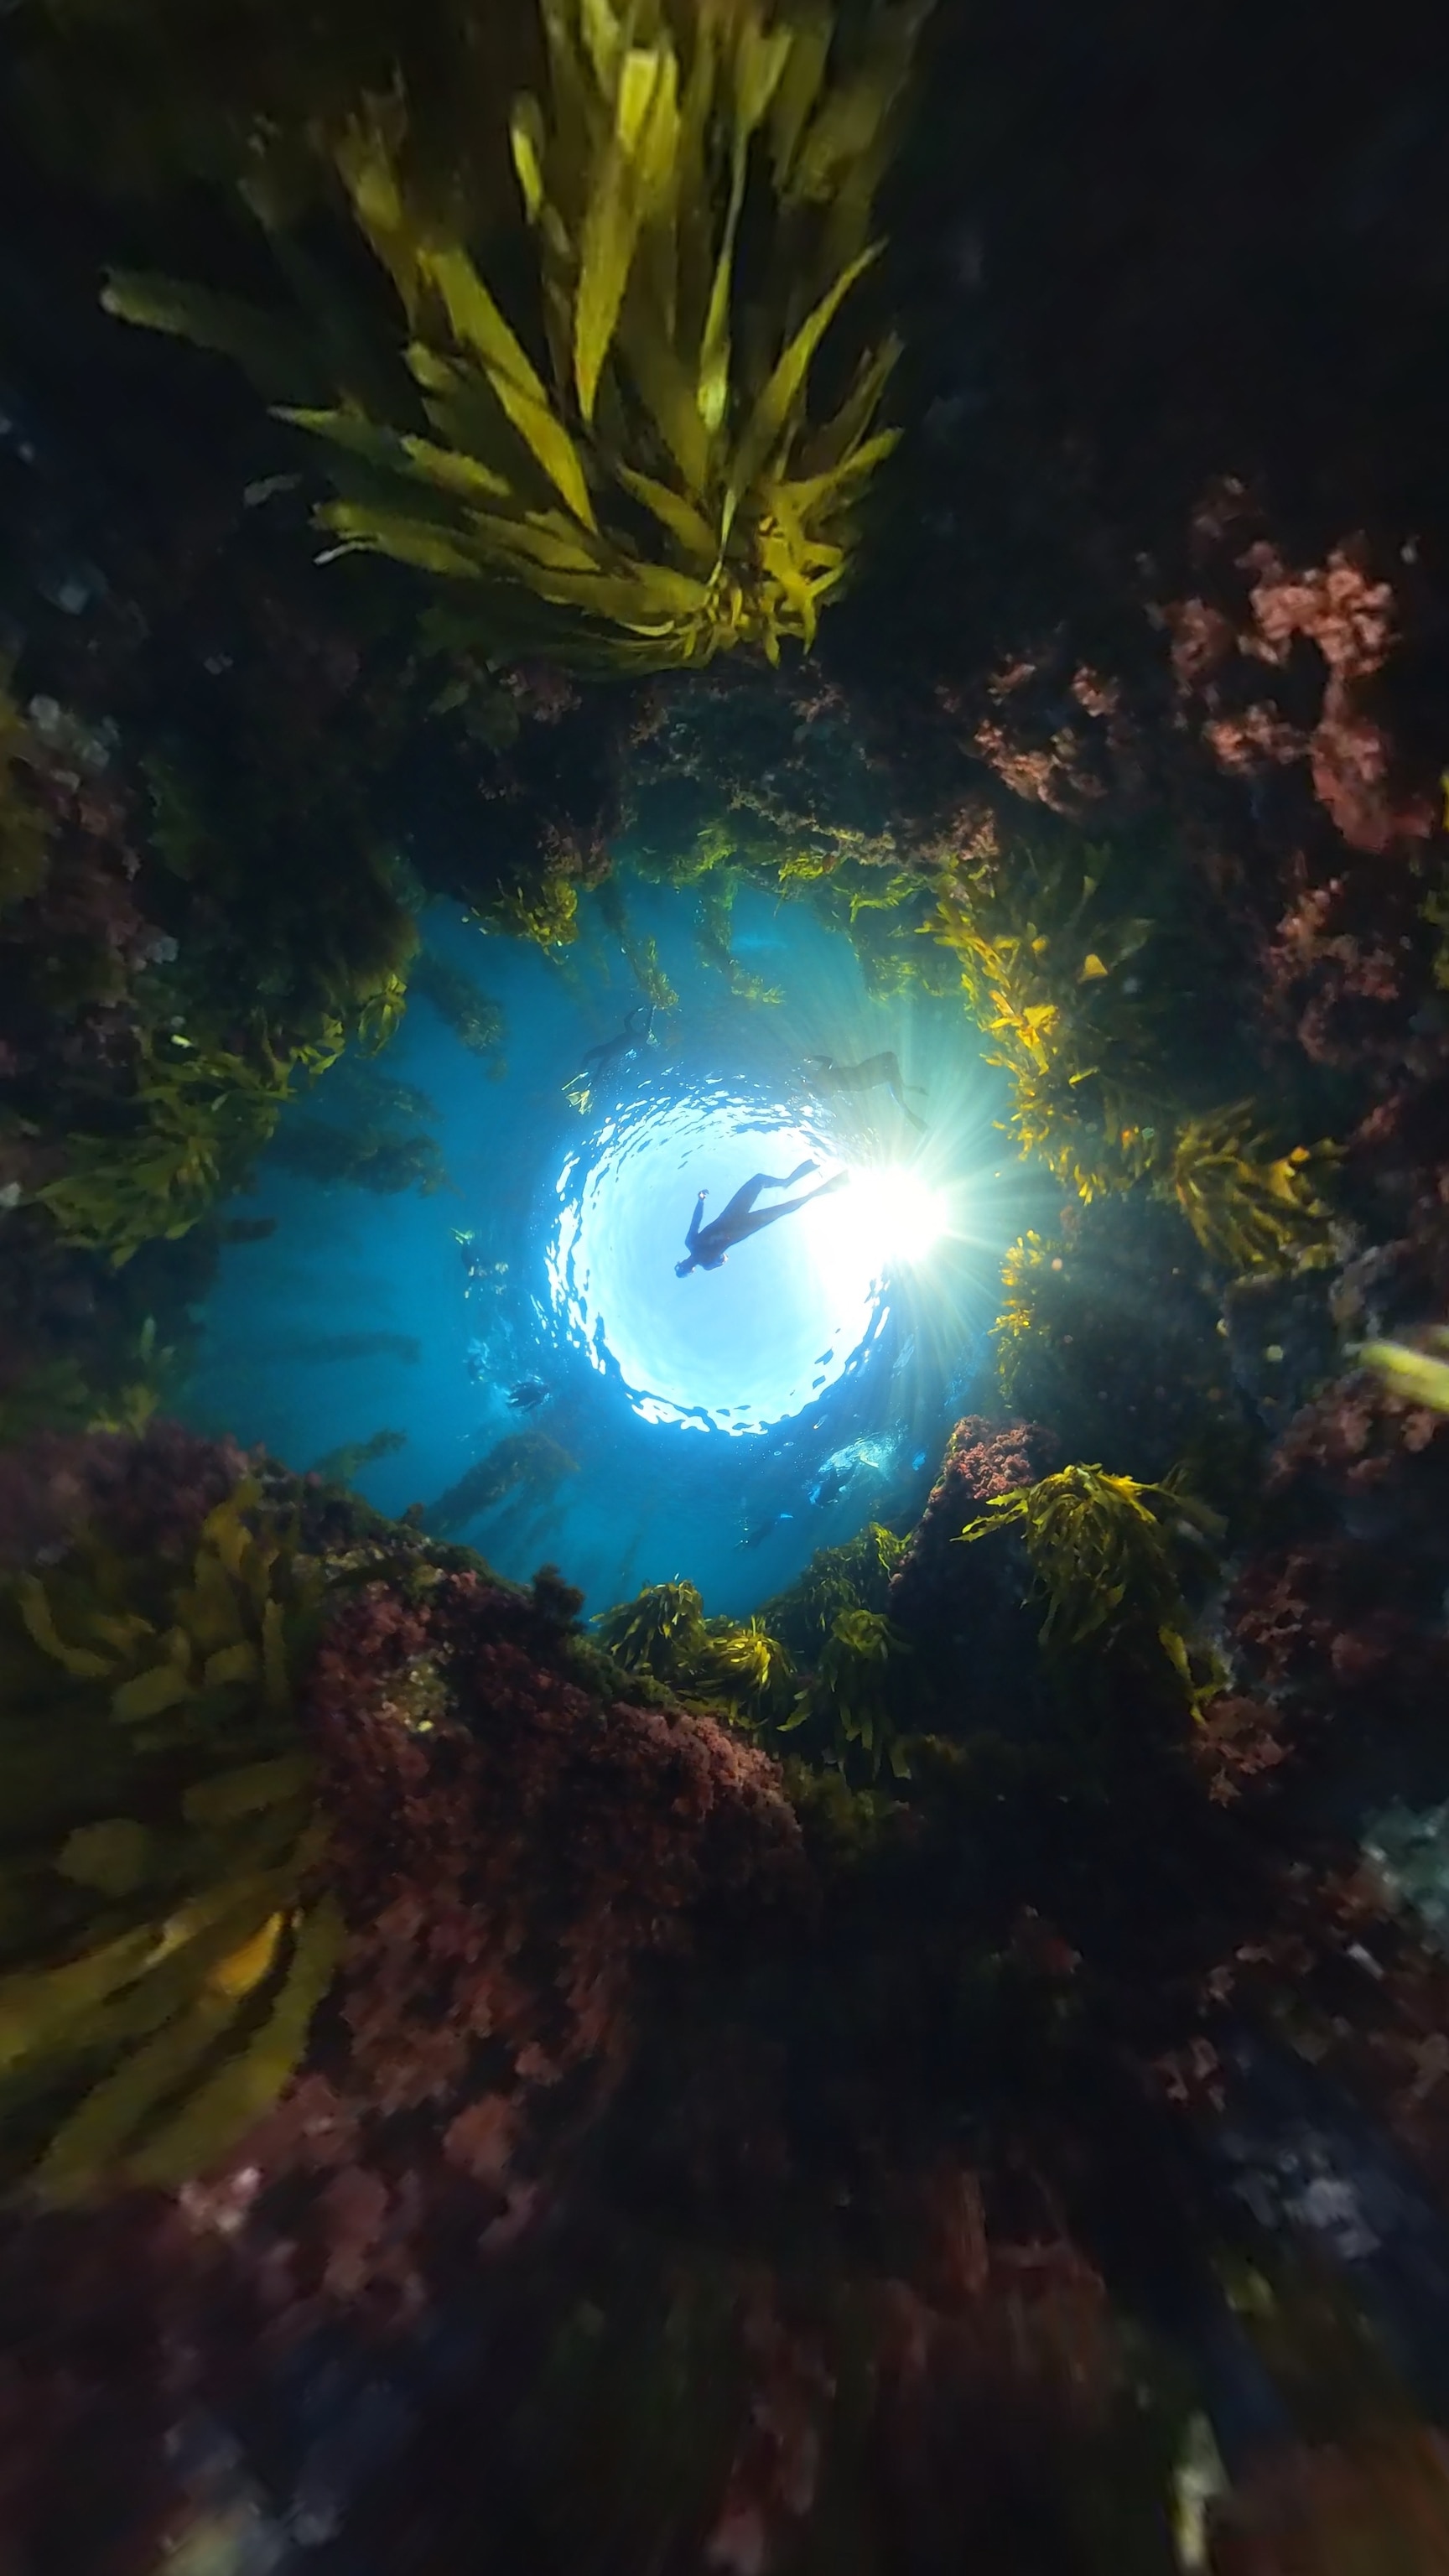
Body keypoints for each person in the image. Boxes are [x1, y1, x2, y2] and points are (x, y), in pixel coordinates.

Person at [675, 1160, 847, 1276]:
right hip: (739, 1223)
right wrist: (700, 1202)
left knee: (777, 1198)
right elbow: (697, 1224)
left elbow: (721, 1257)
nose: (685, 1263)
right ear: (685, 1265)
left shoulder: (699, 1255)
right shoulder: (697, 1252)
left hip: (737, 1222)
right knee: (771, 1193)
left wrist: (700, 1202)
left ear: (691, 1270)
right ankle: (798, 1184)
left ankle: (793, 1183)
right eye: (683, 1265)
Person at [564, 1003, 656, 1114]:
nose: (649, 1033)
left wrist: (648, 1009)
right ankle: (586, 1085)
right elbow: (633, 1021)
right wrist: (648, 1009)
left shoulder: (636, 1035)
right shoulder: (638, 1036)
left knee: (592, 1060)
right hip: (612, 1053)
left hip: (610, 1051)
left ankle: (584, 1081)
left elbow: (635, 1021)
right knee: (598, 1068)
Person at [802, 1051, 927, 1131]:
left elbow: (830, 1064)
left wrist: (813, 1058)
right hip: (858, 1077)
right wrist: (813, 1058)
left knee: (890, 1064)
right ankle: (905, 1102)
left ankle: (905, 1103)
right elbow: (829, 1063)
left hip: (859, 1079)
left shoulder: (820, 1081)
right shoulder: (820, 1079)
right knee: (890, 1060)